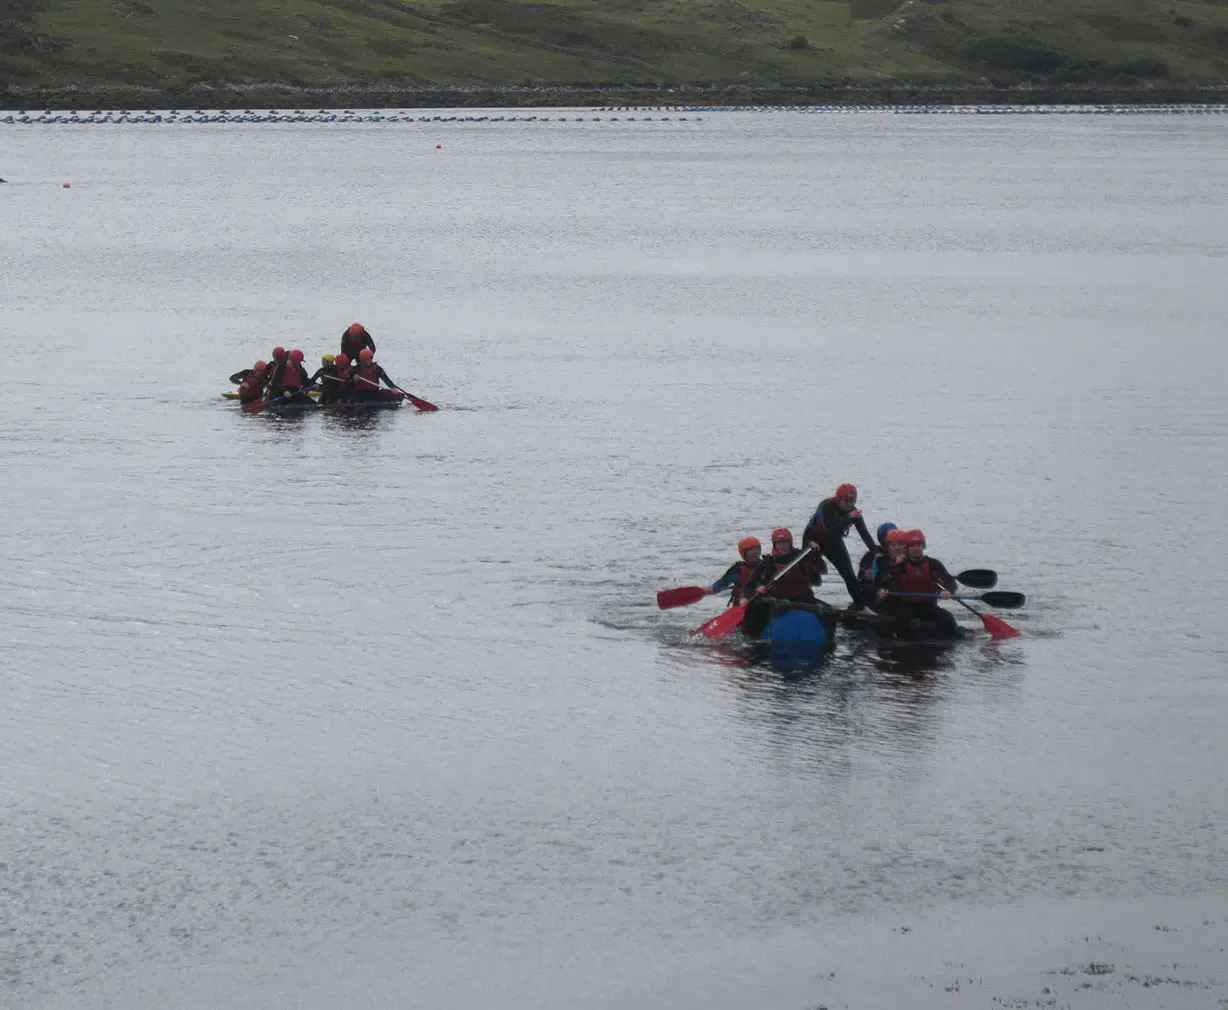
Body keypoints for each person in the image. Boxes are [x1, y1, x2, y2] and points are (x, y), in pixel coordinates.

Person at [803, 483, 877, 610]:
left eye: (852, 501)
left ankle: (861, 606)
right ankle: (802, 596)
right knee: (810, 575)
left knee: (849, 575)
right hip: (813, 539)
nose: (849, 505)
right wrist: (848, 517)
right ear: (839, 499)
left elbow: (864, 534)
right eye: (846, 501)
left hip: (833, 542)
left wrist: (875, 551)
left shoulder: (854, 513)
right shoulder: (827, 506)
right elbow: (829, 527)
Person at [876, 529, 960, 637]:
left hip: (928, 606)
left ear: (923, 546)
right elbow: (887, 583)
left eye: (918, 545)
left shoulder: (933, 564)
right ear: (907, 548)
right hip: (907, 606)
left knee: (948, 619)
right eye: (912, 546)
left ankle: (947, 642)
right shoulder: (901, 566)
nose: (916, 549)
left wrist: (947, 591)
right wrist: (883, 591)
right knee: (902, 619)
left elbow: (951, 582)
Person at [746, 528, 828, 604]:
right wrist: (755, 590)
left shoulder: (803, 556)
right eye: (778, 543)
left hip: (804, 599)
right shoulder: (768, 562)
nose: (782, 546)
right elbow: (750, 584)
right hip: (777, 601)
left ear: (790, 543)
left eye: (784, 542)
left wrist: (816, 554)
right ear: (774, 545)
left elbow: (819, 579)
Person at [706, 537, 762, 606]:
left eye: (757, 549)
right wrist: (703, 591)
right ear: (743, 553)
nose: (755, 552)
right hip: (743, 607)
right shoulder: (737, 570)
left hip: (765, 604)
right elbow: (718, 586)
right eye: (751, 550)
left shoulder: (768, 565)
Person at [857, 522, 898, 608]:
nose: (895, 547)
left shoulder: (902, 556)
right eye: (891, 543)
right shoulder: (871, 556)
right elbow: (865, 582)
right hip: (873, 597)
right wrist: (877, 592)